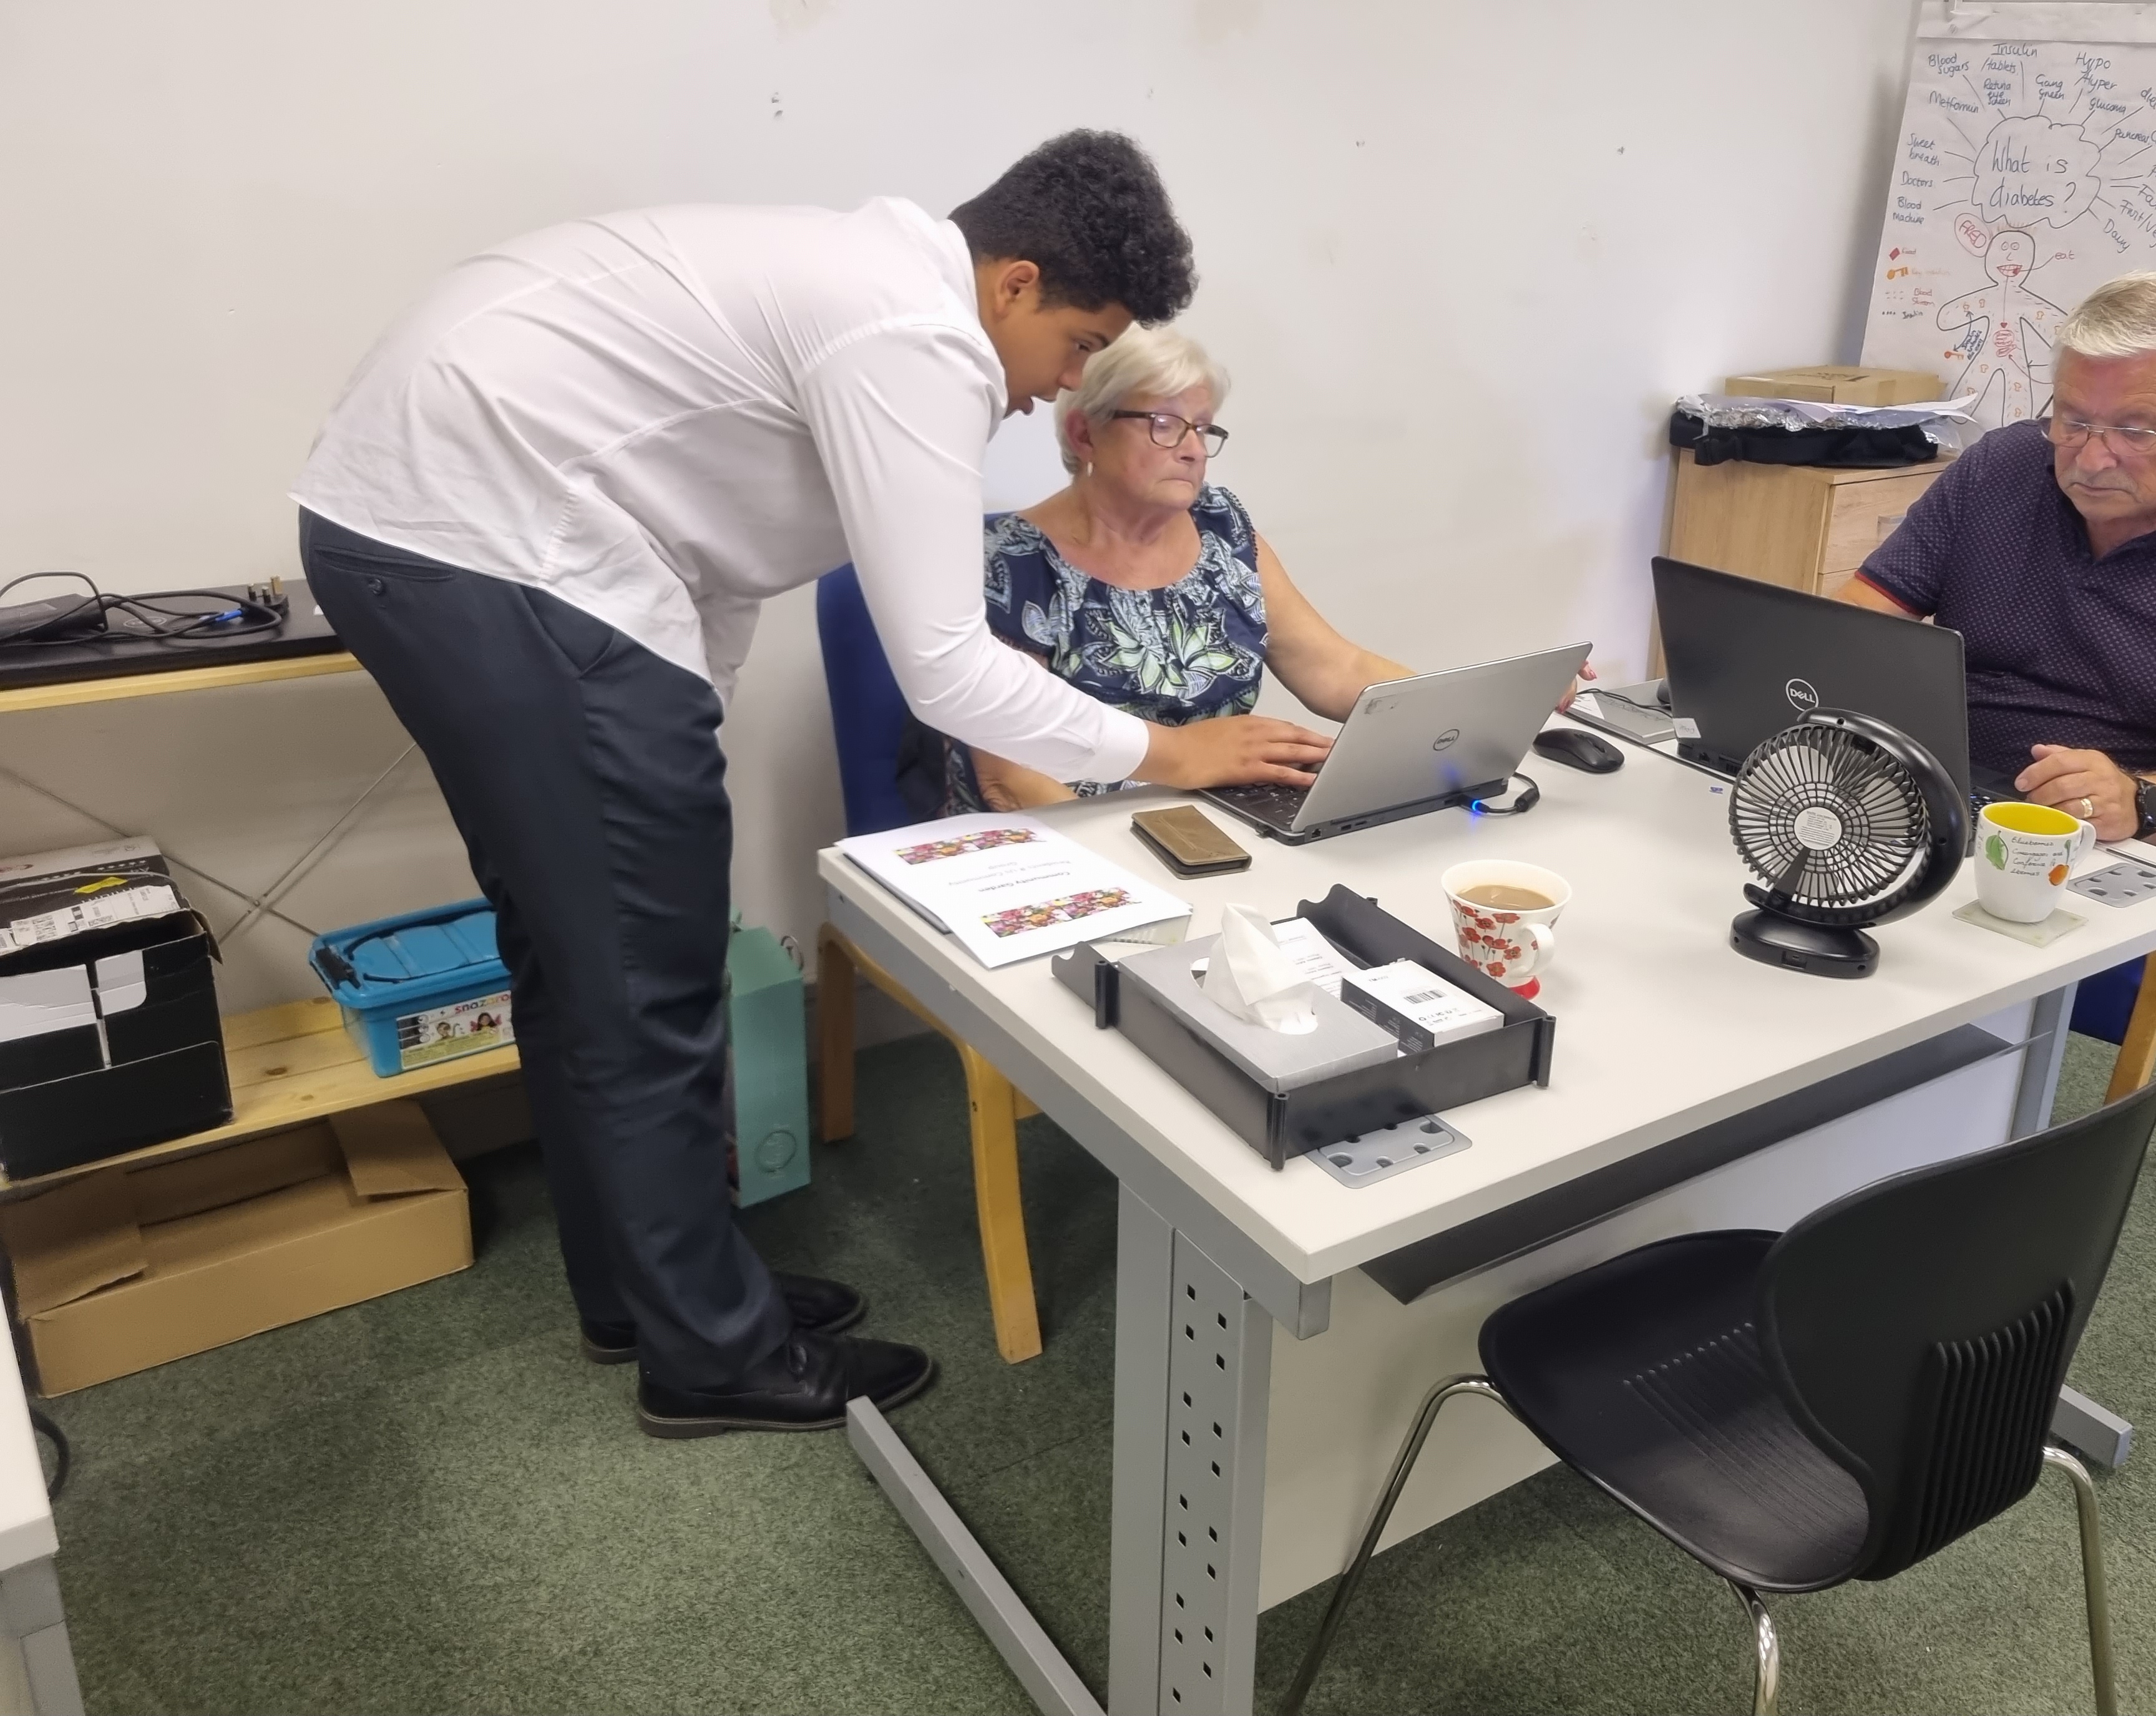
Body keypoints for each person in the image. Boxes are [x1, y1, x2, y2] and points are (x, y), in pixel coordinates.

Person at [291, 132, 1332, 1440]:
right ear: (1012, 285)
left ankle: (649, 1293)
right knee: (647, 980)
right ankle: (713, 1357)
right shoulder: (915, 336)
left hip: (446, 527)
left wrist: (679, 719)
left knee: (583, 961)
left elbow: (711, 550)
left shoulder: (860, 285)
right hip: (485, 536)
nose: (1062, 385)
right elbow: (948, 670)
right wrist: (1173, 751)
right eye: (1079, 344)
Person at [1841, 272, 2156, 866]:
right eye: (2073, 420)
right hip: (1936, 802)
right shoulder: (2003, 469)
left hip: (2124, 845)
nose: (2091, 457)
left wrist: (2140, 801)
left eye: (2135, 430)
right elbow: (1853, 631)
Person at [944, 325, 1412, 813]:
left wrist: (1455, 720)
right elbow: (1014, 781)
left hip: (1219, 813)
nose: (1192, 450)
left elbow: (1336, 668)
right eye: (1164, 425)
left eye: (1203, 428)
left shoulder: (1221, 528)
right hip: (1071, 834)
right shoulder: (1011, 563)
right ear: (1085, 434)